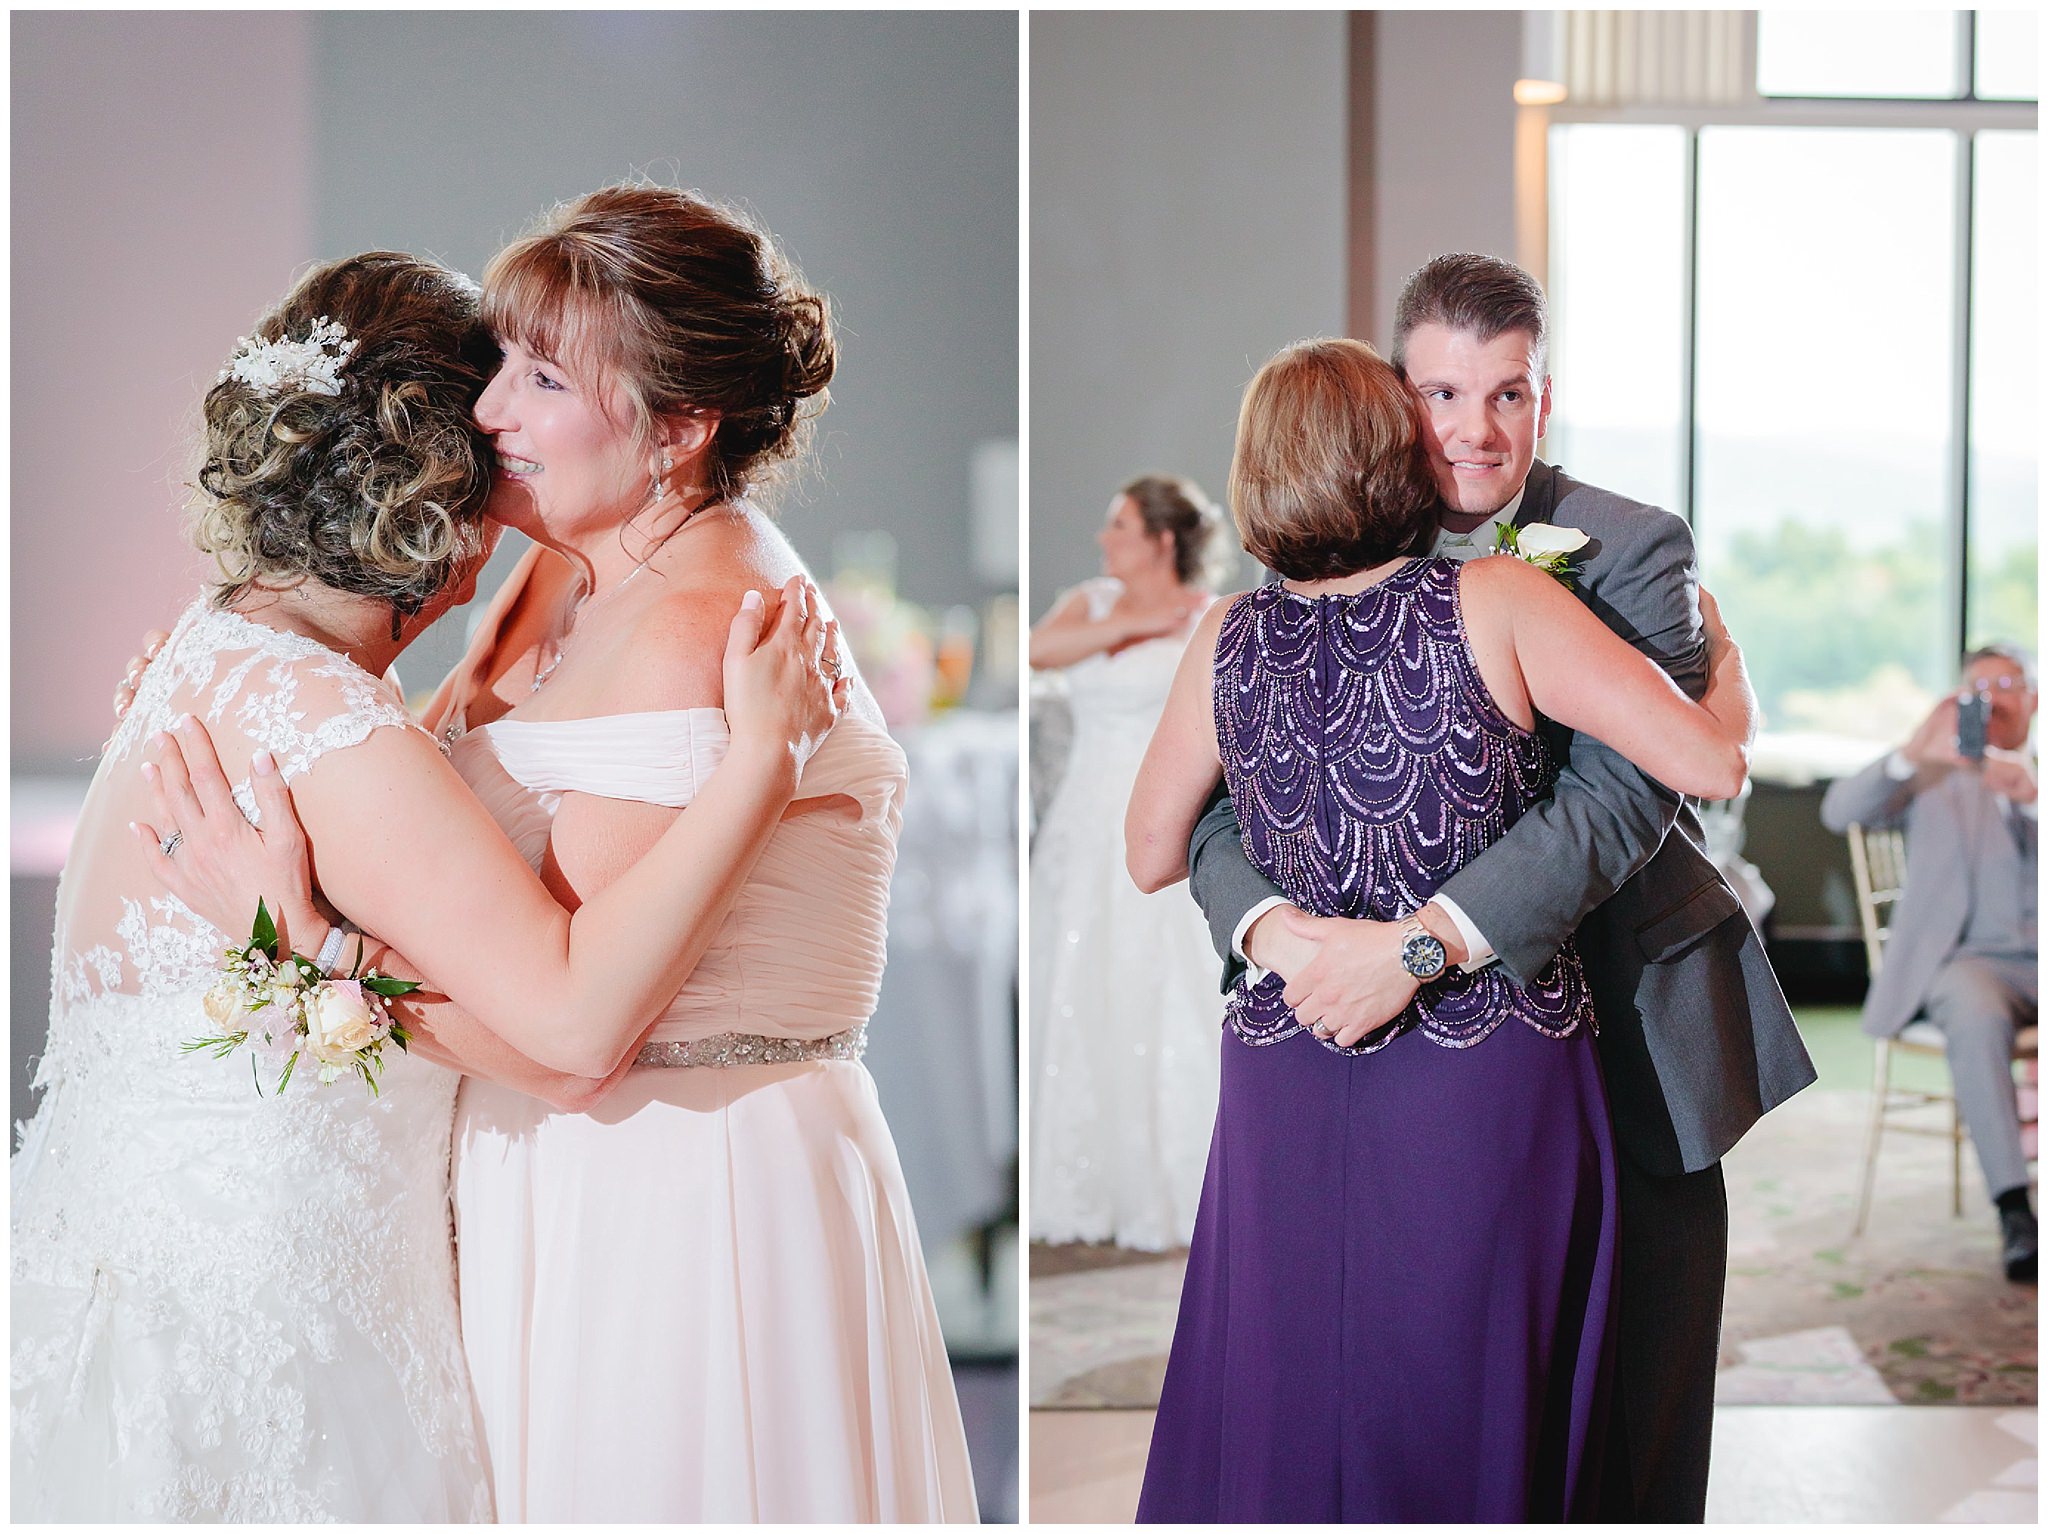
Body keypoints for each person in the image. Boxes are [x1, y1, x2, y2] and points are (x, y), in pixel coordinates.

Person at [136, 186, 979, 1522]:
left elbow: (580, 1029)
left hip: (684, 1185)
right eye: (505, 365)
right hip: (557, 1166)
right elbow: (411, 814)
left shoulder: (697, 626)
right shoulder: (562, 570)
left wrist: (303, 947)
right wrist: (252, 702)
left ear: (682, 428)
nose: (489, 413)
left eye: (540, 377)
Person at [12, 252, 839, 1522]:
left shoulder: (219, 642)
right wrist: (759, 769)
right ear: (437, 499)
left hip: (117, 1292)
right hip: (284, 1328)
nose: (515, 431)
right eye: (495, 413)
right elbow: (567, 1041)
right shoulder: (330, 730)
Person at [1181, 254, 1815, 1521]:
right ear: (1391, 397)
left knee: (1625, 1401)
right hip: (1371, 1053)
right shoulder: (1329, 539)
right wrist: (1273, 927)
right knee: (1387, 1391)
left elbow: (1626, 793)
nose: (1475, 428)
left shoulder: (1628, 544)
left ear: (1543, 395)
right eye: (1441, 393)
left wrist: (1420, 945)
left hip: (1622, 1004)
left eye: (1508, 394)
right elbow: (1212, 808)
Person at [1028, 476, 1227, 1250]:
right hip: (1084, 822)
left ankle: (1181, 1179)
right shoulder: (1093, 601)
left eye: (1119, 525)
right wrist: (1133, 621)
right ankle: (1092, 1180)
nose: (1104, 539)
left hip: (1162, 816)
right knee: (1081, 983)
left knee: (1165, 985)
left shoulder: (1207, 617)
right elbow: (1040, 651)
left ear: (1160, 540)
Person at [1820, 645, 2039, 1282]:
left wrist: (2032, 796)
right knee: (1972, 1010)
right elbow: (1839, 811)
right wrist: (1913, 753)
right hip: (1967, 965)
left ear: (2034, 699)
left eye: (2010, 683)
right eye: (1980, 686)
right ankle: (2014, 1208)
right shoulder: (1933, 774)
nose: (1995, 697)